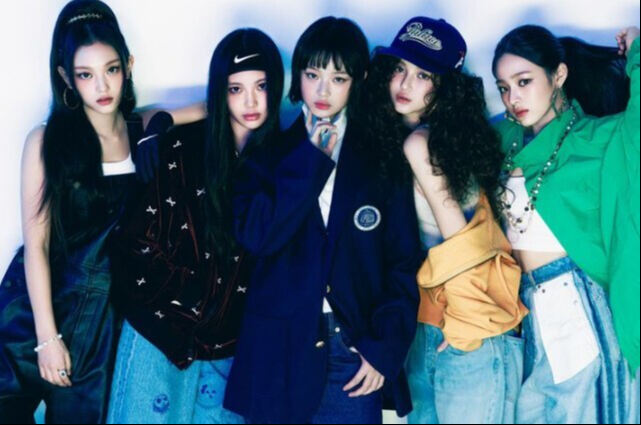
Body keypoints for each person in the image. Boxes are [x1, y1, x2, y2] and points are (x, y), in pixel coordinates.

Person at [223, 16, 422, 423]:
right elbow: (258, 237)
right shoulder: (265, 153)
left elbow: (403, 261)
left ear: (358, 80)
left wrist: (382, 349)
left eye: (338, 78)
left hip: (352, 349)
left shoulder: (384, 157)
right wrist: (311, 160)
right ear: (298, 75)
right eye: (313, 75)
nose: (322, 91)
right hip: (277, 350)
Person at [105, 28, 284, 424]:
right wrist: (186, 298)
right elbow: (136, 242)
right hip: (160, 332)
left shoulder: (283, 163)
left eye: (261, 86)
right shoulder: (182, 147)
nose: (250, 101)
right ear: (221, 91)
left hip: (230, 343)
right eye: (236, 89)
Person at [363, 16, 527, 424]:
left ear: (445, 88)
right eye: (399, 69)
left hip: (465, 325)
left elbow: (462, 243)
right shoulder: (438, 138)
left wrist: (464, 328)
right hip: (432, 323)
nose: (405, 83)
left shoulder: (420, 144)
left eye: (423, 75)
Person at [0, 1, 142, 422]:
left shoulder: (142, 130)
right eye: (85, 74)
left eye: (111, 69)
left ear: (128, 66)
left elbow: (212, 109)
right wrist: (47, 338)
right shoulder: (46, 141)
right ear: (66, 77)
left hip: (101, 319)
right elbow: (37, 245)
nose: (102, 85)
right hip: (36, 305)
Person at [493, 24, 640, 424]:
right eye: (504, 87)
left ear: (558, 75)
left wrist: (637, 52)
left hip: (575, 303)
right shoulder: (505, 138)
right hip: (522, 307)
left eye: (524, 81)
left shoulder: (595, 137)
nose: (513, 97)